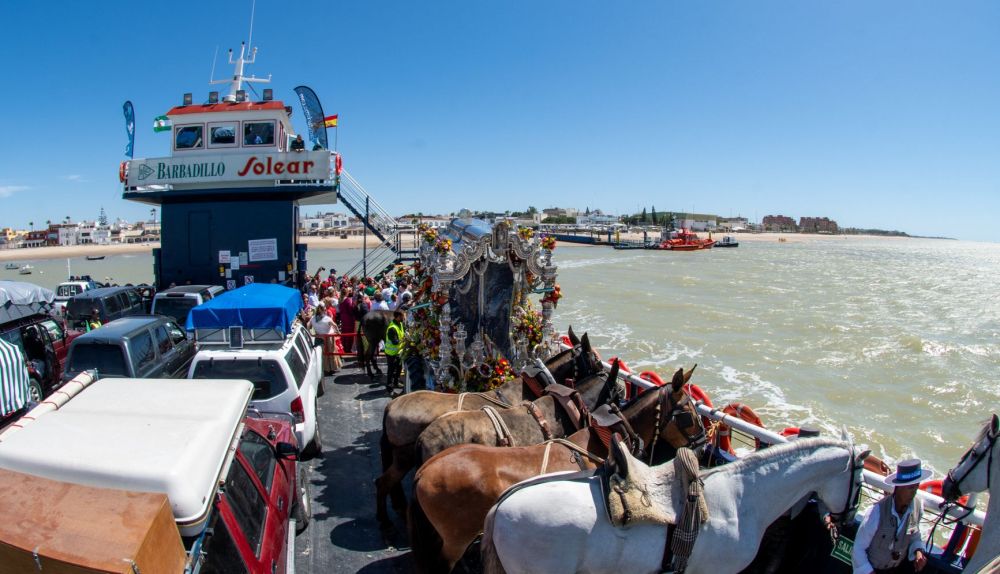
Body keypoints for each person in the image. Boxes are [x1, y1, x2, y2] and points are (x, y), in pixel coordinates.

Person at [852, 459, 930, 574]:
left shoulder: (917, 507)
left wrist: (918, 550)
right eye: (910, 488)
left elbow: (914, 535)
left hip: (894, 569)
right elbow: (858, 549)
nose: (914, 493)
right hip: (871, 569)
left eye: (916, 487)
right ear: (898, 487)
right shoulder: (877, 512)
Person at [309, 304, 341, 374]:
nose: (326, 310)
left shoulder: (313, 318)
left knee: (322, 354)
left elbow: (309, 326)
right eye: (324, 309)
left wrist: (311, 333)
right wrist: (338, 332)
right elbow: (335, 325)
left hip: (319, 337)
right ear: (323, 310)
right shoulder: (327, 319)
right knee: (331, 352)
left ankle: (324, 368)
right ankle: (332, 368)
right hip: (328, 338)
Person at [383, 310, 405, 391]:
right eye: (402, 316)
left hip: (398, 352)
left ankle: (396, 382)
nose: (404, 318)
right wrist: (404, 340)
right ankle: (389, 385)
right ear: (398, 317)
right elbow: (395, 342)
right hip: (391, 353)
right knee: (391, 370)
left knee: (399, 368)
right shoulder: (392, 328)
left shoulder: (400, 324)